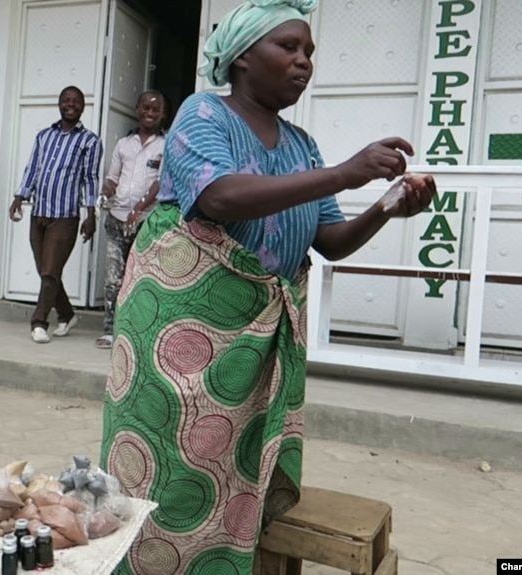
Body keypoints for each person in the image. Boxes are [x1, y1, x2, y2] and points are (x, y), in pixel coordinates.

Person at [99, 1, 436, 574]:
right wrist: (347, 173)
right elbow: (220, 197)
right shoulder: (203, 114)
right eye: (289, 48)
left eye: (309, 53)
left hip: (254, 345)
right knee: (176, 466)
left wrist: (387, 206)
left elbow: (329, 239)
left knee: (241, 466)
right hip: (180, 340)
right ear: (242, 58)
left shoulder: (302, 145)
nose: (304, 62)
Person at [10, 86, 104, 344]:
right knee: (45, 271)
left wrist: (91, 214)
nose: (70, 105)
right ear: (59, 104)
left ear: (83, 107)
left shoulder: (90, 141)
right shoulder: (44, 136)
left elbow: (90, 178)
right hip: (39, 213)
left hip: (65, 217)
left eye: (76, 101)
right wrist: (19, 197)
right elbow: (32, 169)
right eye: (66, 100)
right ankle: (67, 313)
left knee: (50, 272)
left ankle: (39, 322)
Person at [95, 90, 167, 350]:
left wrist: (141, 207)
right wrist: (105, 191)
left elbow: (161, 182)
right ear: (137, 109)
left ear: (162, 114)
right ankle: (110, 330)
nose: (149, 113)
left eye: (155, 109)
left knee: (140, 278)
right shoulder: (124, 144)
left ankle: (136, 330)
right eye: (145, 108)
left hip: (147, 222)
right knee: (113, 279)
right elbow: (113, 177)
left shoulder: (165, 146)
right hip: (116, 219)